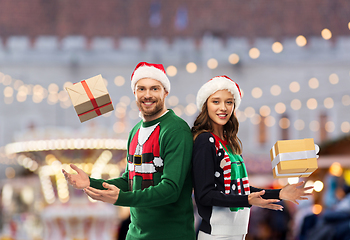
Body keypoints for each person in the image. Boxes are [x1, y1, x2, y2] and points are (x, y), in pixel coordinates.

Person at [62, 62, 195, 240]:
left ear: (165, 92)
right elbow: (129, 179)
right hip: (135, 234)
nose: (147, 95)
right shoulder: (135, 132)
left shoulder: (176, 130)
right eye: (141, 89)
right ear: (135, 93)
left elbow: (170, 189)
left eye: (154, 89)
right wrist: (90, 182)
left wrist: (120, 199)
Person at [191, 75, 313, 240]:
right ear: (205, 105)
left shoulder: (230, 143)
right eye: (216, 101)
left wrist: (280, 193)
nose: (223, 108)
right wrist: (247, 200)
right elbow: (204, 195)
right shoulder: (205, 141)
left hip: (237, 231)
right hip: (216, 232)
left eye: (229, 102)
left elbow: (239, 188)